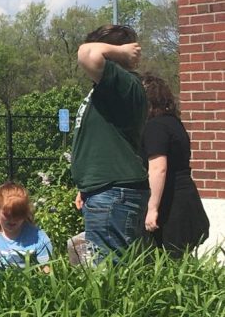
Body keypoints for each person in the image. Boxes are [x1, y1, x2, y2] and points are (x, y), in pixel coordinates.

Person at [70, 24, 149, 264]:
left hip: (113, 194)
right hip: (106, 191)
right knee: (110, 272)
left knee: (108, 275)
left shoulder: (123, 84)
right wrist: (87, 184)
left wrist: (123, 53)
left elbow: (86, 53)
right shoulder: (111, 89)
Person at [141, 74, 209, 257]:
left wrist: (152, 208)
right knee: (181, 263)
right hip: (186, 198)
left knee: (170, 263)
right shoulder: (174, 123)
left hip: (171, 205)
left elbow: (158, 168)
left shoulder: (155, 127)